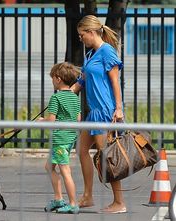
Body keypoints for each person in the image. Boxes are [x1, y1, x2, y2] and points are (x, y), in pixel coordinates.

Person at [71, 15, 126, 213]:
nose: (80, 38)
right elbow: (82, 81)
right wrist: (67, 92)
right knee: (82, 150)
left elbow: (114, 82)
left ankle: (119, 202)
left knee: (106, 157)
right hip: (94, 112)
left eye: (81, 34)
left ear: (91, 32)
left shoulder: (107, 52)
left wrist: (118, 108)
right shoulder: (91, 55)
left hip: (105, 111)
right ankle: (87, 196)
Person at [37, 62, 81, 214]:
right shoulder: (75, 98)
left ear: (58, 79)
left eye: (52, 79)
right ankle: (58, 199)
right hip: (69, 138)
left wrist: (41, 121)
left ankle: (73, 203)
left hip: (60, 139)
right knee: (49, 167)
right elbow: (78, 119)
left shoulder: (56, 98)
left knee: (65, 170)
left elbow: (51, 121)